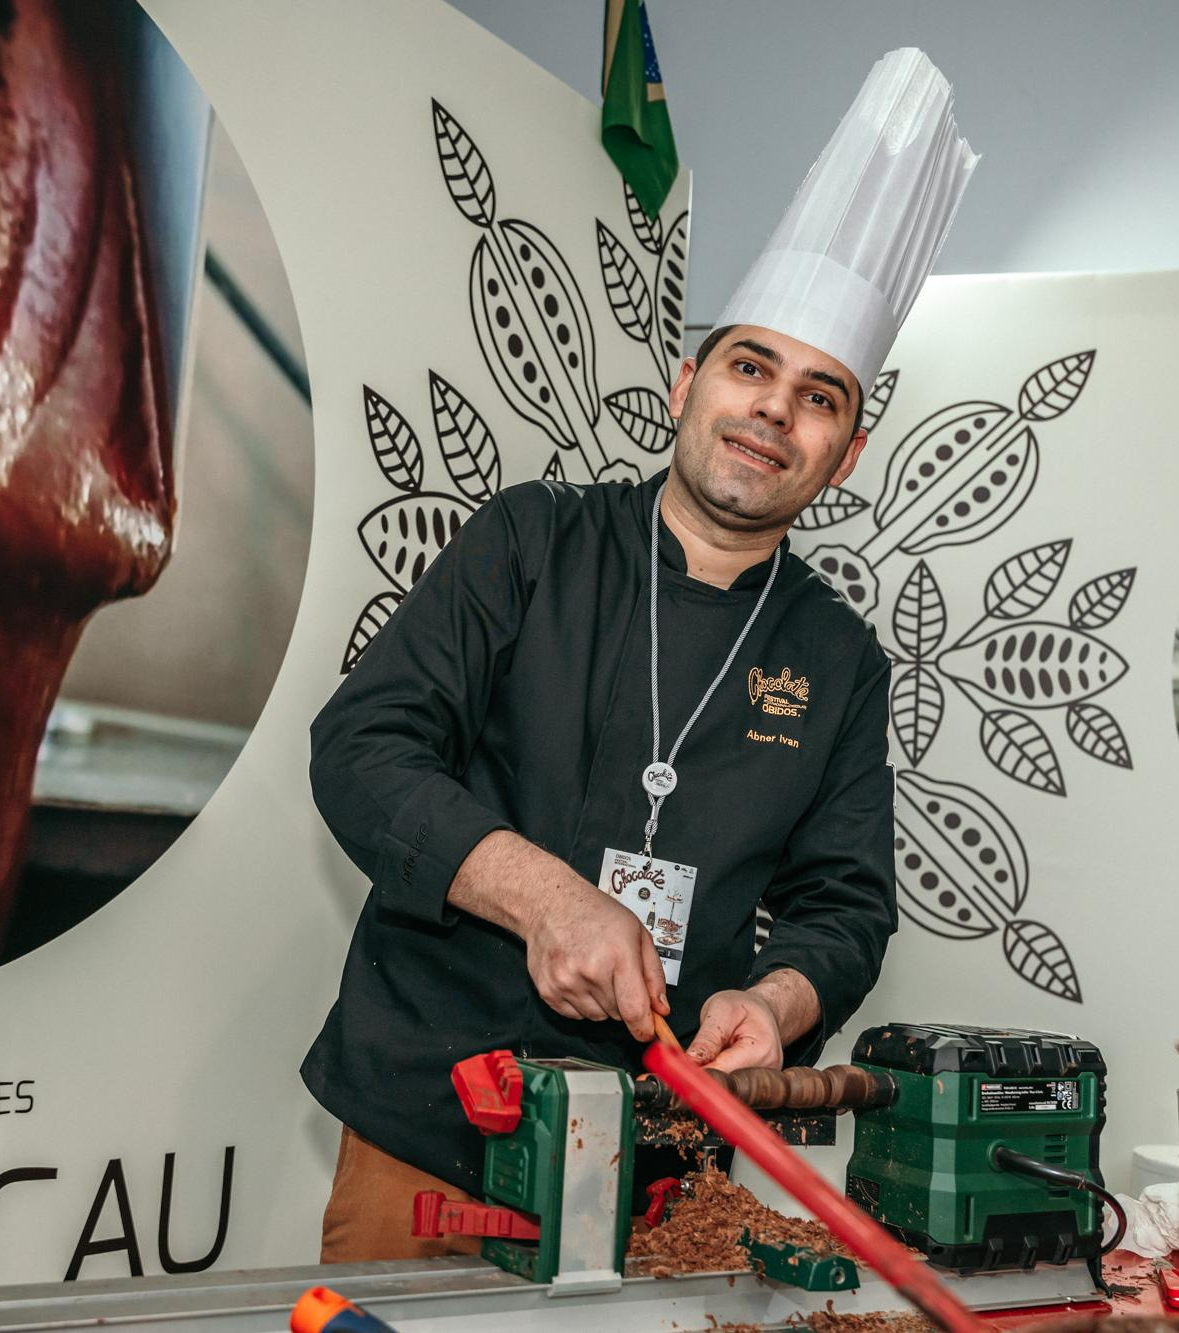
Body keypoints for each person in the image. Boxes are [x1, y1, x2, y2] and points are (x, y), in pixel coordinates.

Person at [303, 48, 976, 1263]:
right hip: (426, 1134)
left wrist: (775, 1005)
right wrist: (548, 896)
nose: (774, 409)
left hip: (663, 1168)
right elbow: (359, 751)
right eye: (749, 366)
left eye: (819, 396)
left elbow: (845, 906)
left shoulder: (838, 657)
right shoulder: (531, 541)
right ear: (686, 385)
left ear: (847, 452)